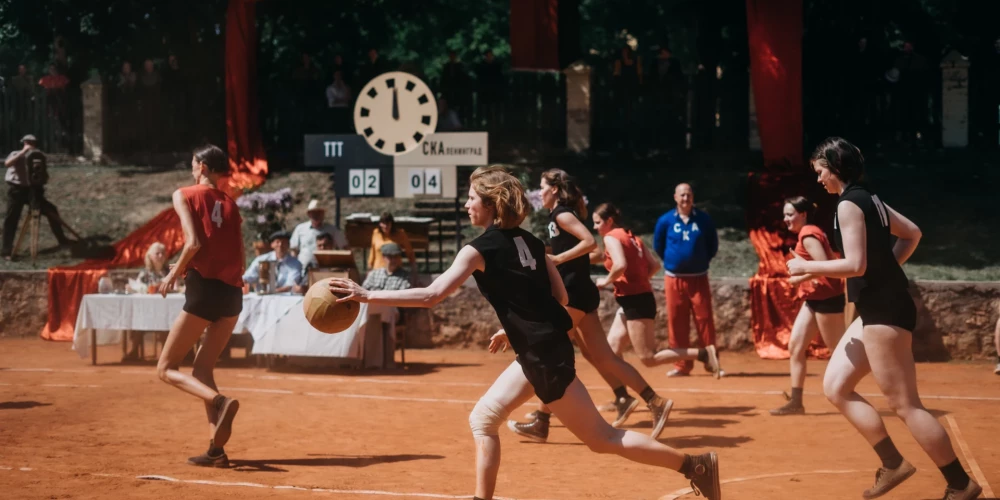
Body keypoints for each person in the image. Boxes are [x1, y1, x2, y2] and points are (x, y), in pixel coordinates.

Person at [329, 166, 721, 500]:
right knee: (483, 419)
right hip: (541, 349)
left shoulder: (477, 249)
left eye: (471, 199)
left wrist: (367, 294)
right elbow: (561, 295)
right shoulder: (534, 243)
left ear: (491, 205)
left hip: (541, 355)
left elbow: (432, 295)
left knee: (603, 439)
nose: (466, 205)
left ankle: (694, 464)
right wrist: (514, 324)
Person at [787, 137, 981, 500]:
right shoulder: (869, 197)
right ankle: (892, 463)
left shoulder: (848, 203)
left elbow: (855, 264)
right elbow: (913, 234)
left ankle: (960, 483)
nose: (818, 179)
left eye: (820, 171)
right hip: (879, 305)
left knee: (906, 405)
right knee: (835, 387)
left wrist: (808, 267)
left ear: (835, 167)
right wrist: (886, 269)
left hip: (883, 309)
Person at [506, 169, 674, 443]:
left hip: (573, 294)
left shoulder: (562, 214)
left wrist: (559, 258)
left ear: (556, 190)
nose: (540, 192)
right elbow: (569, 247)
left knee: (548, 352)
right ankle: (654, 401)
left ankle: (541, 421)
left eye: (543, 187)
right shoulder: (556, 217)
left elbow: (588, 242)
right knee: (604, 358)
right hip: (580, 293)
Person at [155, 144, 245, 468]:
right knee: (202, 368)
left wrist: (172, 275)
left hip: (204, 290)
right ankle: (216, 451)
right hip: (233, 295)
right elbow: (241, 256)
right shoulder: (232, 204)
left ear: (203, 166)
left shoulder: (184, 194)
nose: (191, 169)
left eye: (193, 163)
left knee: (165, 369)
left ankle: (220, 401)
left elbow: (193, 242)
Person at [594, 203, 721, 379]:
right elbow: (655, 266)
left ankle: (703, 354)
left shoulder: (611, 237)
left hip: (635, 301)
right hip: (636, 299)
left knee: (648, 357)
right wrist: (638, 281)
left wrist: (605, 281)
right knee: (612, 348)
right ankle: (622, 397)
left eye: (597, 222)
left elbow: (620, 265)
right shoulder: (633, 238)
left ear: (609, 221)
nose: (595, 227)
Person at [770, 196, 846, 415]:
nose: (786, 219)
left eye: (790, 214)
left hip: (827, 298)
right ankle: (796, 402)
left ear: (803, 214)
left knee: (838, 352)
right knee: (795, 347)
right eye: (784, 214)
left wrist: (799, 277)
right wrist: (803, 275)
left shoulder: (808, 234)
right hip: (814, 299)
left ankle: (847, 396)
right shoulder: (807, 232)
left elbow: (824, 267)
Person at [653, 183, 721, 377]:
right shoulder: (665, 220)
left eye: (689, 195)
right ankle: (682, 366)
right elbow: (658, 245)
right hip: (674, 279)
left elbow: (712, 245)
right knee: (676, 321)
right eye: (682, 195)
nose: (685, 199)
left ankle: (713, 364)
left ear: (693, 197)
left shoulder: (703, 220)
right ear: (675, 197)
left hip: (698, 278)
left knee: (705, 320)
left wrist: (699, 261)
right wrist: (674, 261)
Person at [2, 134, 73, 259]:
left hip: (33, 191)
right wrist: (23, 152)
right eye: (27, 142)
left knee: (51, 210)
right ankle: (6, 251)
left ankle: (63, 241)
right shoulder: (15, 153)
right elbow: (7, 164)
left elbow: (43, 175)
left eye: (32, 142)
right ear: (23, 143)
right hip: (17, 191)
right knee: (11, 219)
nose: (30, 144)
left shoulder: (38, 157)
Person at [125, 242, 170, 361]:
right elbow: (139, 287)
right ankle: (134, 351)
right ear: (150, 256)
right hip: (147, 311)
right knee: (137, 320)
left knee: (167, 321)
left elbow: (178, 286)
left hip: (166, 310)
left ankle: (166, 354)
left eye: (162, 253)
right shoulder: (144, 273)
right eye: (157, 253)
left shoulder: (170, 272)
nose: (160, 256)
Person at [290, 199, 348, 269]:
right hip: (303, 270)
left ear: (323, 214)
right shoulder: (300, 229)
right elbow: (294, 250)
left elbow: (345, 247)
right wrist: (294, 267)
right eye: (313, 212)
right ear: (309, 214)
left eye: (319, 212)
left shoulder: (332, 230)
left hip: (326, 270)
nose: (316, 215)